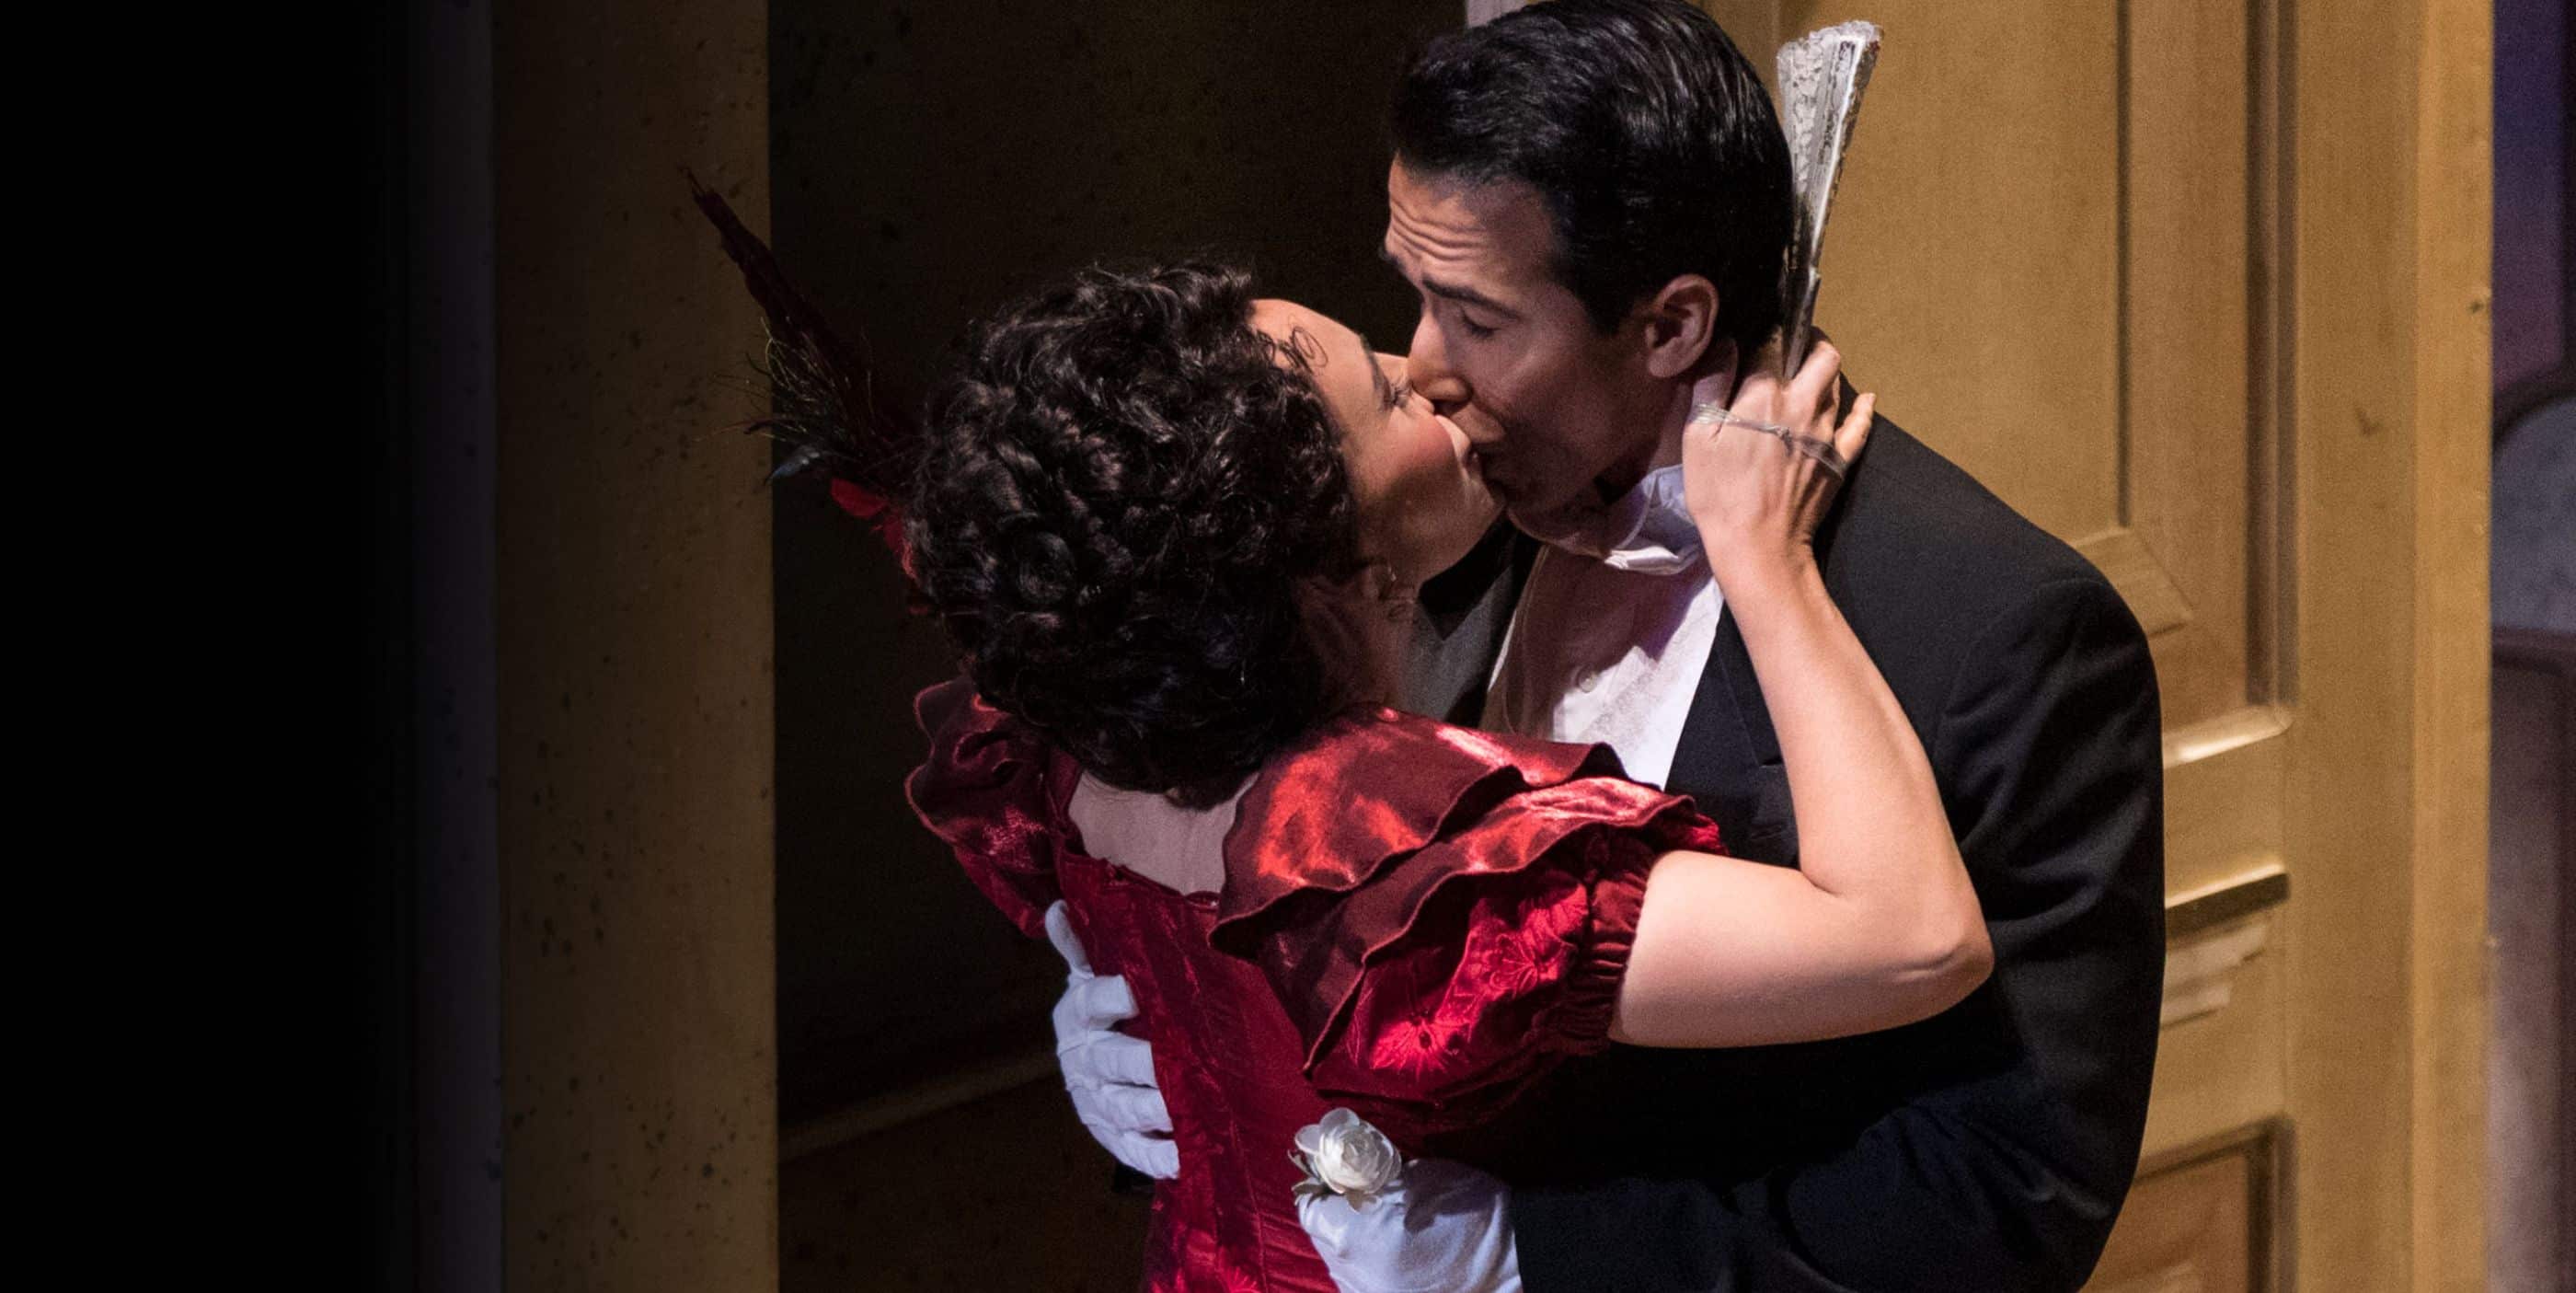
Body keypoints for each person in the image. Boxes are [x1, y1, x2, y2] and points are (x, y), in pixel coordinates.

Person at [1047, 4, 2168, 1291]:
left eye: (1475, 317)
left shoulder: (1993, 627)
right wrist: (1158, 1040)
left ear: (1671, 326)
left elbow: (2005, 1192)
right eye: (1414, 297)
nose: (1421, 371)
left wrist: (1536, 1258)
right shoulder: (1415, 523)